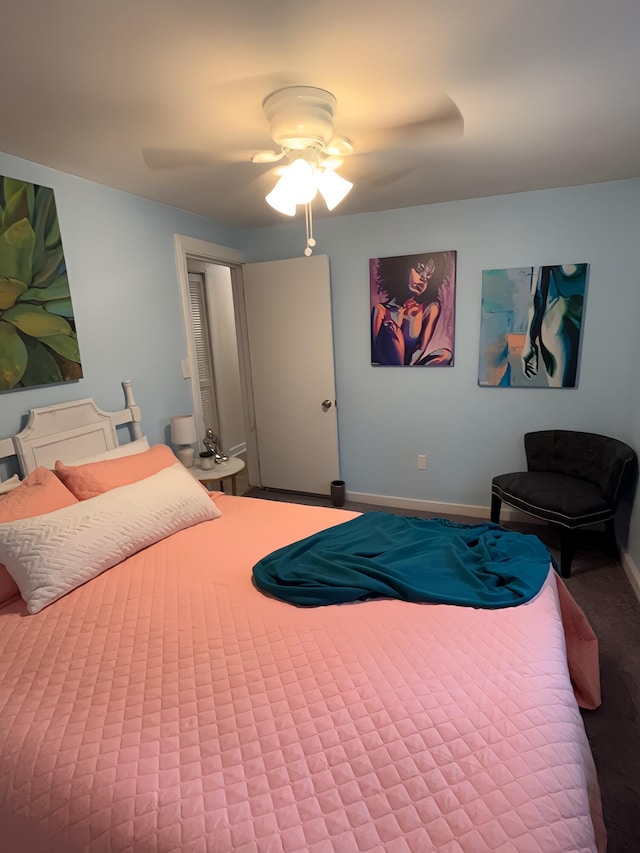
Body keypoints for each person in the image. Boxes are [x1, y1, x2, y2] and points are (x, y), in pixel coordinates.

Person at [371, 253, 454, 366]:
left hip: (412, 366)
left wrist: (410, 371)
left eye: (429, 276)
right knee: (391, 327)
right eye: (419, 269)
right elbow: (375, 352)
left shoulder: (429, 309)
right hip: (388, 366)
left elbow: (421, 348)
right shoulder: (381, 310)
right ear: (403, 268)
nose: (423, 278)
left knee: (445, 354)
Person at [520, 264, 586, 387]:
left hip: (565, 324)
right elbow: (537, 298)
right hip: (561, 327)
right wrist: (528, 342)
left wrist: (529, 342)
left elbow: (537, 297)